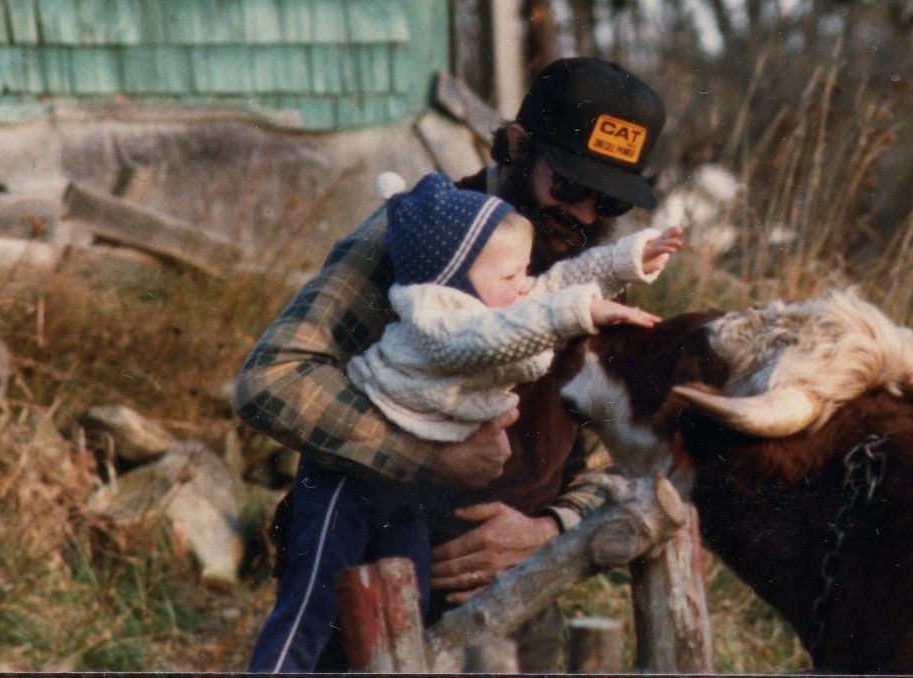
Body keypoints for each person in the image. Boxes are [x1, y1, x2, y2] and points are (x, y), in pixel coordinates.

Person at [233, 57, 671, 672]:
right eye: (569, 186)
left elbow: (627, 461)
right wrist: (427, 459)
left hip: (519, 610)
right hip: (364, 606)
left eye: (611, 202)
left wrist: (549, 532)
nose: (586, 216)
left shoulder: (602, 282)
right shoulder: (422, 234)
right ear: (516, 147)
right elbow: (272, 378)